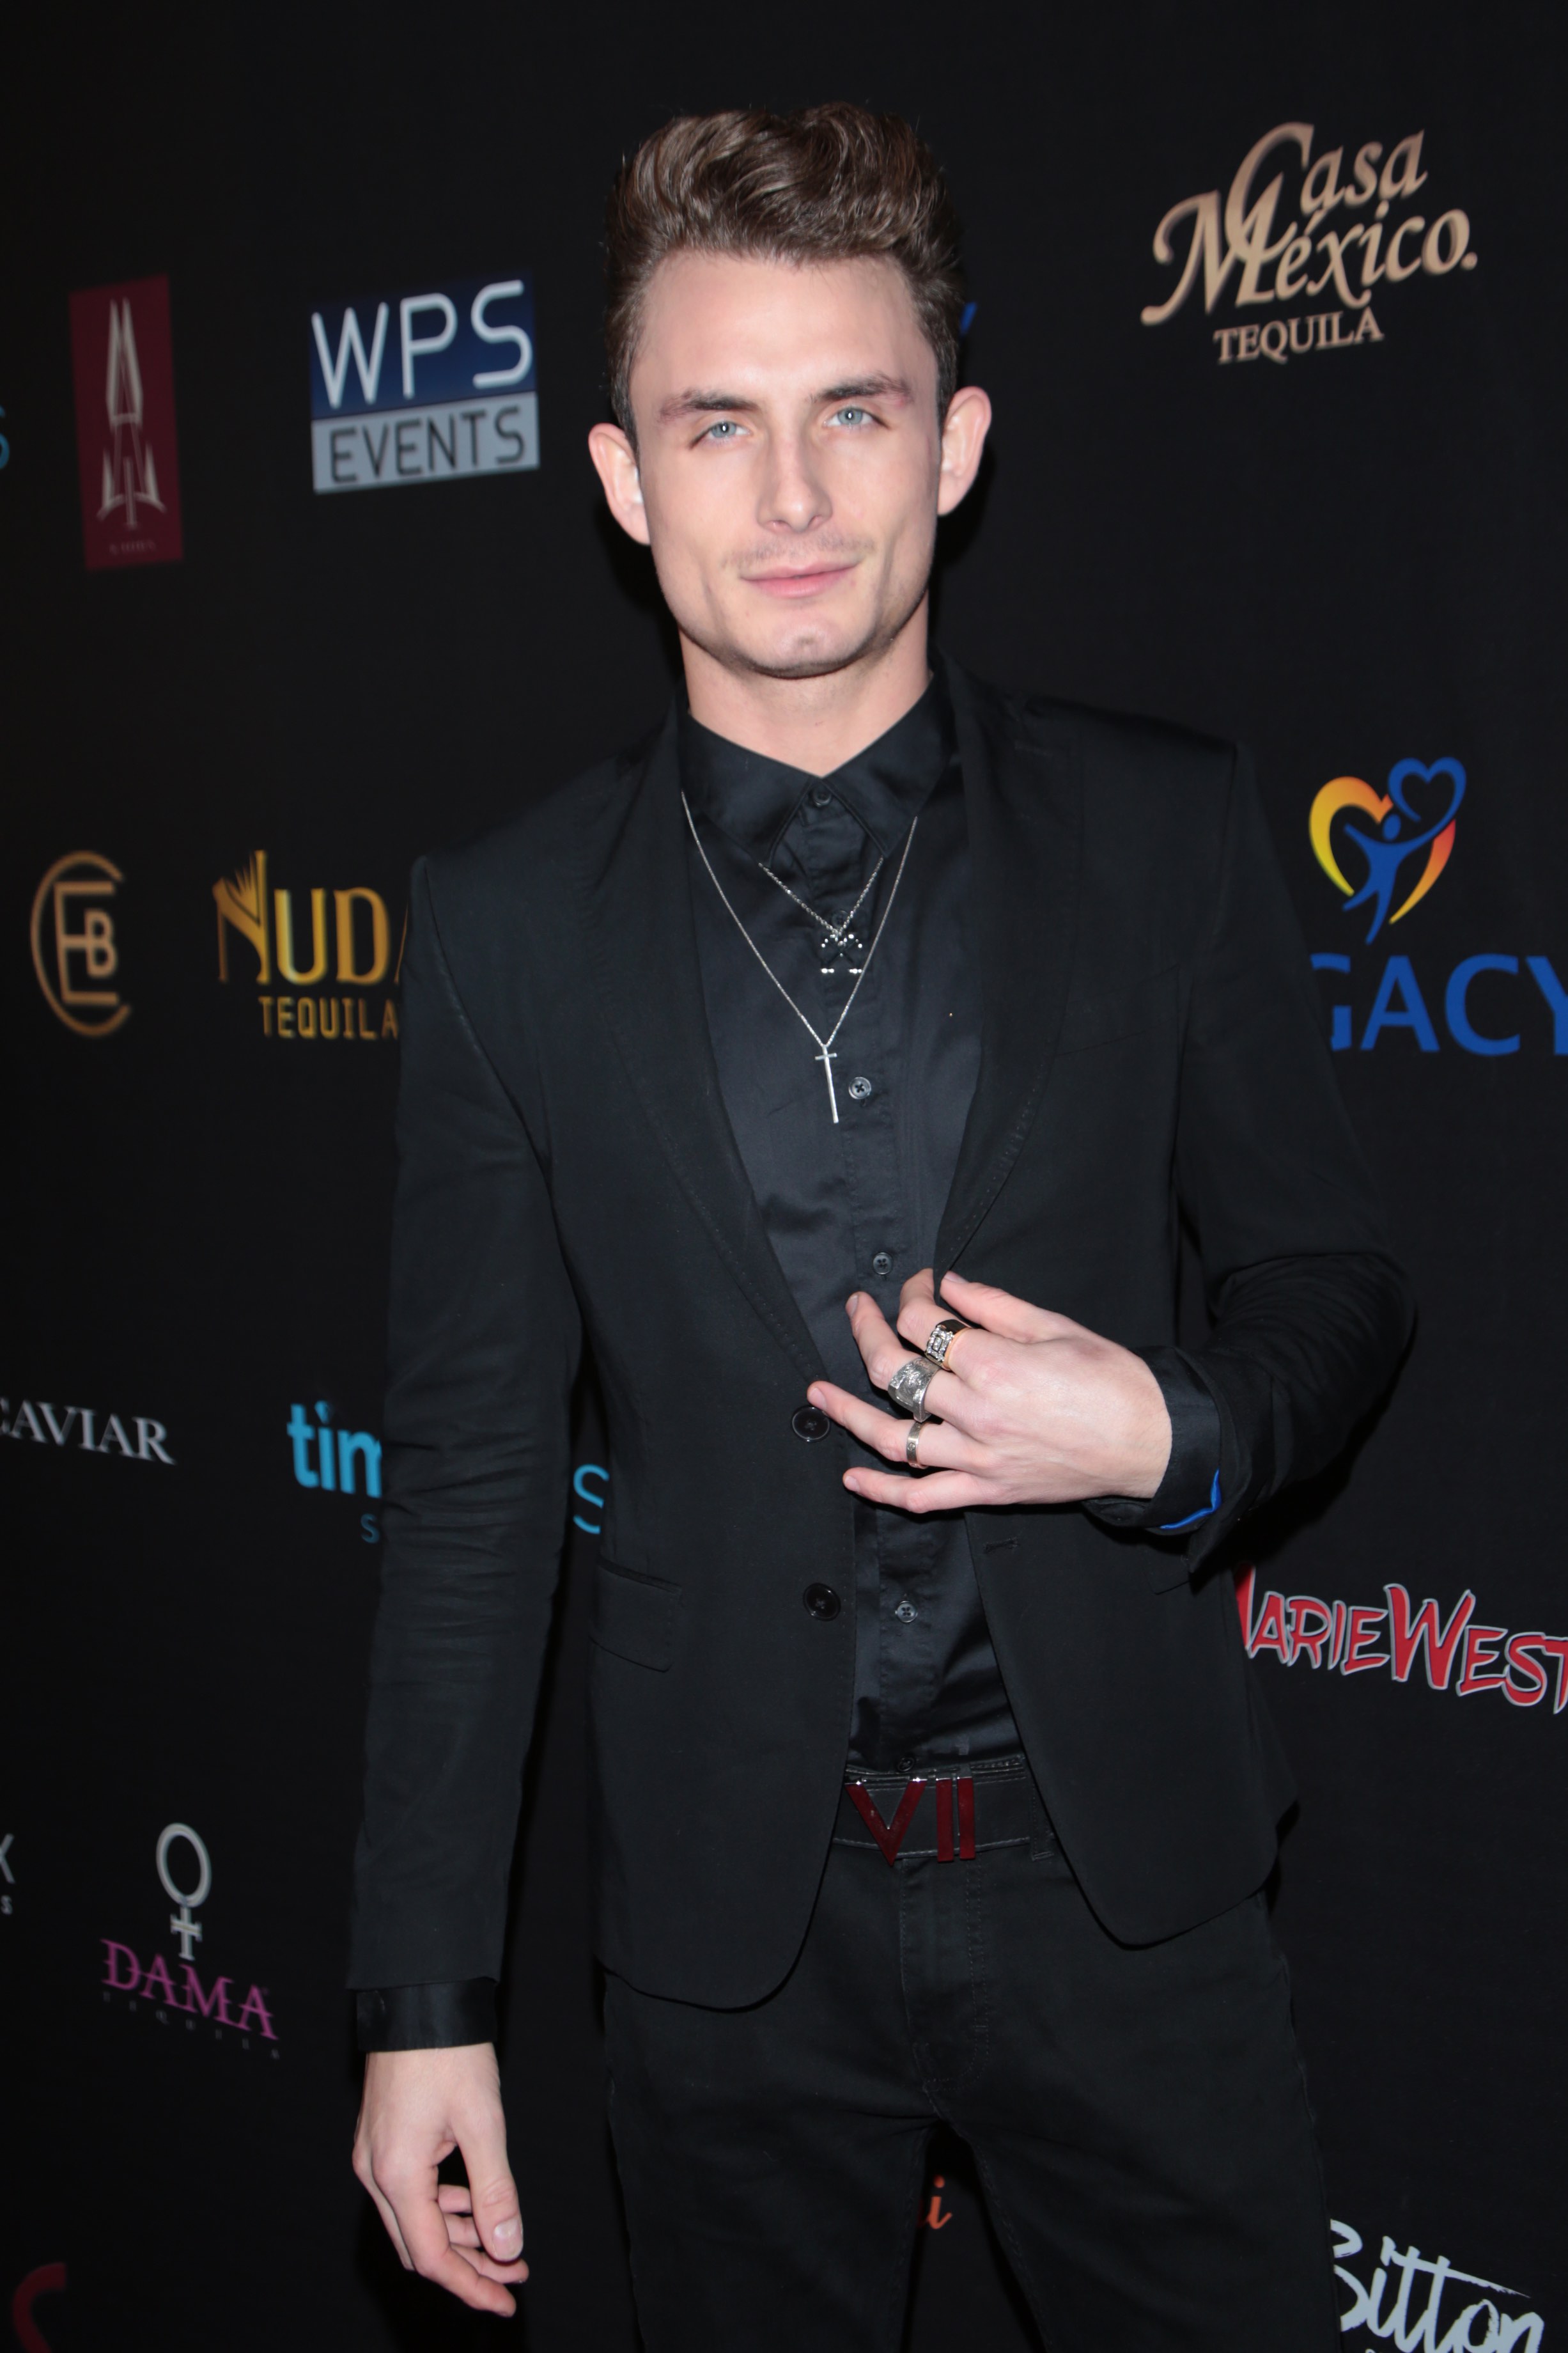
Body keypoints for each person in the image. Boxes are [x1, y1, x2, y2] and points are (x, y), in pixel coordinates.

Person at [348, 103, 1411, 2352]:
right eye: (716, 426)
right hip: (728, 1937)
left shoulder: (1166, 827)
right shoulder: (504, 928)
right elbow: (465, 1494)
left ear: (959, 443)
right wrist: (424, 2002)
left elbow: (1334, 1280)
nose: (794, 499)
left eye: (855, 411)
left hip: (1131, 1899)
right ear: (623, 480)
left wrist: (1169, 1432)